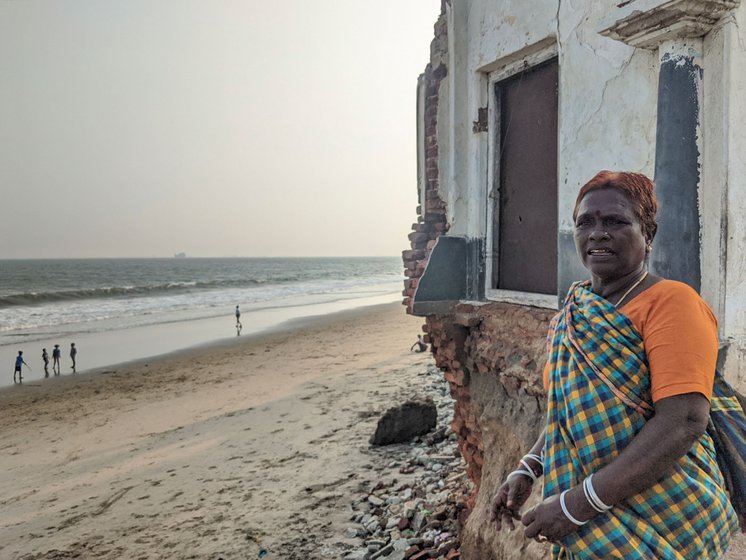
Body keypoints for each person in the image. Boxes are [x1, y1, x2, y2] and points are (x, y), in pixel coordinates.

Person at [490, 171, 739, 558]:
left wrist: (578, 505)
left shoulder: (672, 303)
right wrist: (527, 468)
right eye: (585, 222)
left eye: (616, 222)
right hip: (593, 515)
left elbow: (685, 420)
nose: (598, 233)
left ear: (648, 235)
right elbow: (566, 411)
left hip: (669, 513)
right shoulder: (572, 315)